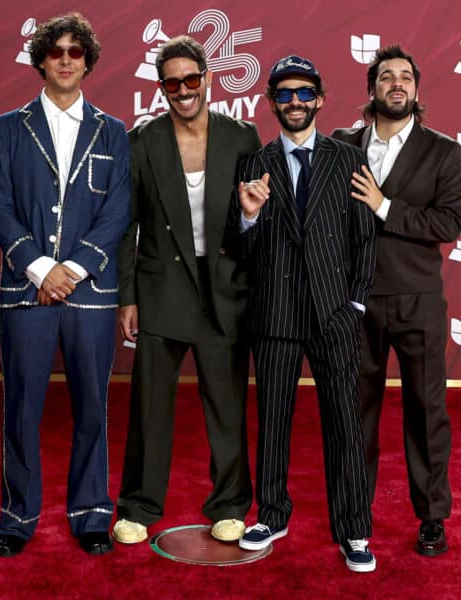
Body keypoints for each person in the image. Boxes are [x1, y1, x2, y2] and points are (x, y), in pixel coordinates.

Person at [0, 13, 130, 557]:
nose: (66, 59)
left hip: (90, 293)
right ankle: (17, 517)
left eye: (76, 51)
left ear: (88, 62)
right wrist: (42, 269)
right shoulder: (8, 127)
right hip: (27, 292)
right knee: (22, 406)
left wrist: (75, 269)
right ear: (41, 60)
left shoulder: (113, 131)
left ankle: (92, 514)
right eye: (56, 51)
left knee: (93, 405)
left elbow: (118, 210)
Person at [230, 55, 377, 572]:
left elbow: (364, 240)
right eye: (284, 94)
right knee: (272, 421)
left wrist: (353, 305)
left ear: (319, 98)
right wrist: (247, 218)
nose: (294, 102)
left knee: (344, 426)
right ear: (270, 102)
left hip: (334, 315)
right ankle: (272, 512)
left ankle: (355, 529)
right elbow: (237, 250)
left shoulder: (348, 159)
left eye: (303, 92)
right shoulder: (253, 163)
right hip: (274, 315)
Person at [112, 35, 261, 545]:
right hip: (160, 288)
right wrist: (126, 296)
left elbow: (257, 221)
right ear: (162, 88)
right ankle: (137, 506)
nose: (183, 89)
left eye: (191, 79)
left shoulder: (242, 137)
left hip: (223, 289)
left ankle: (230, 504)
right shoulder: (141, 140)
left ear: (208, 79)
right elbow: (124, 226)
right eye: (172, 82)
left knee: (226, 403)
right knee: (150, 405)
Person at [333, 45, 461, 556]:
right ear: (373, 89)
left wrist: (385, 206)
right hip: (355, 302)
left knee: (427, 411)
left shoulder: (445, 153)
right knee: (354, 413)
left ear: (416, 89)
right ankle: (355, 515)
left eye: (405, 76)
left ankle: (432, 518)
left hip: (418, 302)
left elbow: (449, 223)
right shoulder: (342, 145)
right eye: (386, 76)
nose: (397, 83)